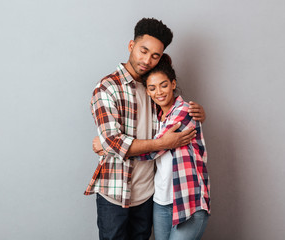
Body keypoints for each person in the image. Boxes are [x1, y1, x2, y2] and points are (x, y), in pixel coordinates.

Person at [85, 18, 206, 240]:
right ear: (131, 46)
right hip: (115, 193)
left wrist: (199, 113)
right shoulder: (107, 88)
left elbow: (172, 113)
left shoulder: (153, 88)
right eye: (143, 51)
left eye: (155, 56)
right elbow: (115, 142)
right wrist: (161, 144)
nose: (147, 60)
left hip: (148, 195)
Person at [136, 54, 210, 240]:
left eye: (163, 85)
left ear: (173, 84)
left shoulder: (184, 111)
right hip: (161, 201)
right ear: (147, 92)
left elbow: (152, 150)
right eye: (152, 88)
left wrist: (113, 147)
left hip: (188, 200)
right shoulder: (156, 116)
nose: (159, 92)